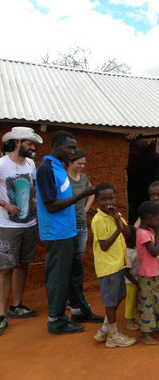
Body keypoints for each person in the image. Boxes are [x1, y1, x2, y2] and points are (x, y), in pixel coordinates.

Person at [36, 131, 103, 334]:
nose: (72, 152)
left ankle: (79, 310)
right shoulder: (46, 169)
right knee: (58, 276)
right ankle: (56, 320)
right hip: (57, 233)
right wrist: (82, 195)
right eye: (69, 148)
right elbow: (51, 206)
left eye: (74, 148)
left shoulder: (59, 168)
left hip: (69, 231)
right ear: (56, 146)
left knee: (75, 274)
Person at [0, 127, 42, 336]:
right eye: (29, 143)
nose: (33, 147)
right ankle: (1, 314)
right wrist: (4, 205)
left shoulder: (31, 163)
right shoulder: (1, 164)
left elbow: (32, 188)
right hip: (7, 226)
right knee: (5, 268)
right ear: (17, 142)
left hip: (29, 224)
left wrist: (34, 202)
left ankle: (17, 306)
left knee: (23, 265)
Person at [91, 183, 135, 348]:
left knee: (119, 296)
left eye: (111, 198)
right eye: (103, 199)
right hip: (108, 266)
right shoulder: (98, 220)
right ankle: (113, 336)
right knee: (110, 301)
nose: (107, 202)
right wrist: (117, 228)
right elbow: (104, 245)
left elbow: (128, 234)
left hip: (118, 265)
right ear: (96, 201)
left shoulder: (115, 215)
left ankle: (104, 329)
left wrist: (118, 220)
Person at [136, 201, 159, 345]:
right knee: (147, 304)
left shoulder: (149, 231)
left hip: (156, 272)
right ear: (149, 218)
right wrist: (158, 234)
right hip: (147, 275)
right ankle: (145, 333)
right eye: (158, 218)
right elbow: (154, 252)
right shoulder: (142, 233)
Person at [67, 149, 94, 261]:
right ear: (70, 162)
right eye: (79, 163)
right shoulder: (64, 178)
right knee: (68, 258)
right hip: (68, 226)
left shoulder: (83, 178)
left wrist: (86, 208)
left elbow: (92, 192)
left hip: (82, 226)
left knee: (78, 258)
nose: (82, 166)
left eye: (84, 163)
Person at [124, 225, 140, 331]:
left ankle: (134, 318)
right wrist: (135, 282)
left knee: (136, 300)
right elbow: (126, 272)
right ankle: (129, 321)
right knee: (130, 300)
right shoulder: (128, 253)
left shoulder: (134, 248)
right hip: (130, 282)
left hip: (136, 279)